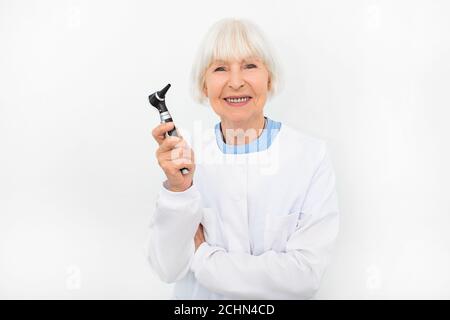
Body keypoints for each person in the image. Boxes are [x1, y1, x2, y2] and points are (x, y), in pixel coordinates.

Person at [147, 17, 339, 299]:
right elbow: (167, 269)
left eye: (250, 66)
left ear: (269, 78)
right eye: (220, 68)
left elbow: (304, 275)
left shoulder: (310, 157)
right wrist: (178, 192)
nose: (235, 82)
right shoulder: (186, 159)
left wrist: (203, 257)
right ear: (204, 86)